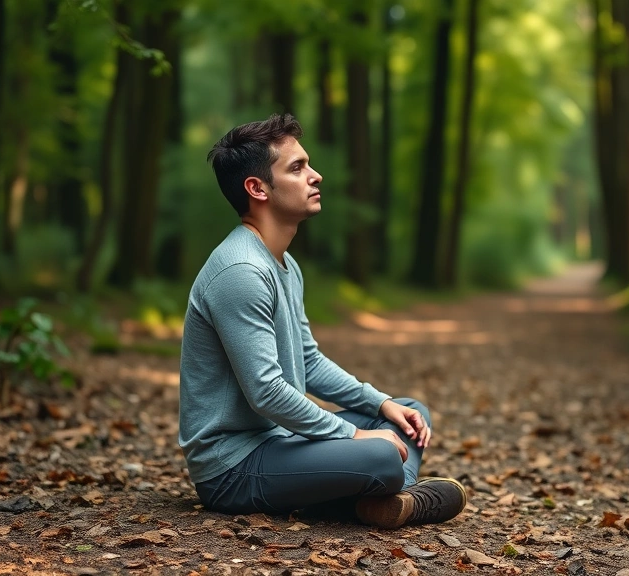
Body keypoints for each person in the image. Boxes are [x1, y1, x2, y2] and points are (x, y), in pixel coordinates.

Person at [178, 113, 466, 529]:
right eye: (297, 168)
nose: (316, 176)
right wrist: (354, 436)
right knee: (382, 453)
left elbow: (308, 363)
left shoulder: (285, 265)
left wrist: (379, 403)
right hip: (233, 467)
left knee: (407, 412)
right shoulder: (239, 270)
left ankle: (381, 500)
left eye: (308, 164)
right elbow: (266, 392)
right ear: (257, 188)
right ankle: (389, 493)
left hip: (280, 442)